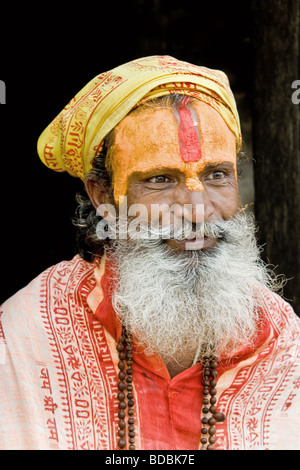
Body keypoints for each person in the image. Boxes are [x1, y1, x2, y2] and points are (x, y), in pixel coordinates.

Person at [0, 56, 299, 451]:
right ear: (103, 196)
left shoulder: (284, 344)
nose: (197, 210)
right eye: (161, 179)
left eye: (216, 175)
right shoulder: (23, 336)